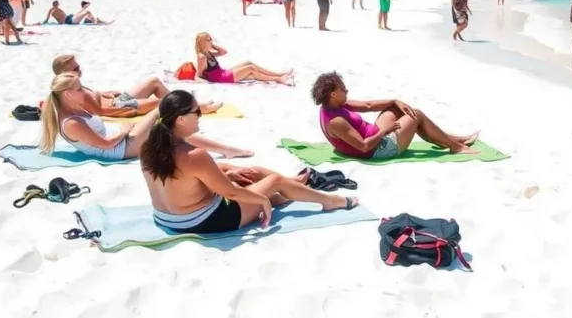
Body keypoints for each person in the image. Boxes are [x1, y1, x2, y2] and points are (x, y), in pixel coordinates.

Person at [141, 91, 356, 234]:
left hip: (165, 218)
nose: (201, 115)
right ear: (180, 119)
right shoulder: (195, 155)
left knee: (235, 171)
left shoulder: (149, 147)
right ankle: (330, 201)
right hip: (203, 221)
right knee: (274, 181)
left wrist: (228, 175)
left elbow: (182, 180)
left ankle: (294, 184)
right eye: (196, 112)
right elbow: (231, 194)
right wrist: (262, 200)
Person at [40, 73, 248, 160]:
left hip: (119, 140)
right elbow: (104, 144)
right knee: (161, 113)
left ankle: (226, 149)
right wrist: (124, 129)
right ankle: (225, 147)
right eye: (78, 89)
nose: (84, 92)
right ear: (67, 94)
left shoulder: (75, 108)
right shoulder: (72, 122)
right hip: (118, 149)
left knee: (168, 128)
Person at [310, 71, 479, 160]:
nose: (346, 91)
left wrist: (395, 101)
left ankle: (451, 139)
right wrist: (385, 131)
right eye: (343, 89)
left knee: (399, 109)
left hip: (376, 134)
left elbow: (368, 105)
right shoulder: (336, 121)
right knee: (416, 115)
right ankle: (455, 146)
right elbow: (363, 146)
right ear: (332, 94)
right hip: (378, 149)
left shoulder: (336, 105)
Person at [52, 53, 221, 116]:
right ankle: (197, 109)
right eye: (76, 68)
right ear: (65, 72)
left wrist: (105, 93)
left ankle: (182, 101)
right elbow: (101, 111)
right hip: (121, 105)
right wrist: (131, 109)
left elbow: (95, 100)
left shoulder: (75, 86)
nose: (80, 69)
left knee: (153, 81)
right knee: (158, 103)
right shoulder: (73, 93)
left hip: (116, 99)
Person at [194, 32, 294, 85]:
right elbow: (199, 74)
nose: (211, 41)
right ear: (202, 42)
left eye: (211, 39)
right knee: (250, 69)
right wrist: (206, 83)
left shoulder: (207, 53)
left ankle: (279, 75)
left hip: (222, 73)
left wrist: (213, 45)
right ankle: (278, 78)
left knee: (249, 64)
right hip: (221, 78)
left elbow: (223, 52)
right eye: (208, 40)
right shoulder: (202, 56)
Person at [42, 0, 110, 25]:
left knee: (83, 12)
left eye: (57, 4)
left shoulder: (56, 9)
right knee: (87, 12)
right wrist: (41, 23)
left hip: (70, 17)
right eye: (57, 4)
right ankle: (96, 21)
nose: (57, 5)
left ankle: (94, 20)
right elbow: (46, 20)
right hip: (69, 20)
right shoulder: (52, 10)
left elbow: (47, 20)